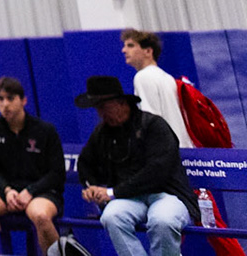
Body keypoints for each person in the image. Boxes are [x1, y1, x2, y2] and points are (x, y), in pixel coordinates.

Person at [76, 74, 196, 256]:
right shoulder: (102, 133)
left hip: (168, 194)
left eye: (103, 107)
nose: (101, 114)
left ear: (121, 103)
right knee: (111, 217)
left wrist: (112, 192)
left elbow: (157, 172)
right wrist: (90, 186)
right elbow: (85, 163)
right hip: (130, 198)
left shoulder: (154, 125)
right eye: (97, 109)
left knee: (162, 221)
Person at [0, 76, 64, 253]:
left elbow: (57, 174)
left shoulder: (45, 130)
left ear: (23, 101)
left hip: (40, 192)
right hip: (8, 193)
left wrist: (30, 191)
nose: (5, 104)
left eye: (10, 98)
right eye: (0, 99)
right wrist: (7, 190)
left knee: (41, 216)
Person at [123, 29, 192, 147]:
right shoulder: (167, 77)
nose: (124, 50)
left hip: (166, 150)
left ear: (148, 51)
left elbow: (151, 120)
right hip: (183, 147)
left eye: (130, 46)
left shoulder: (143, 76)